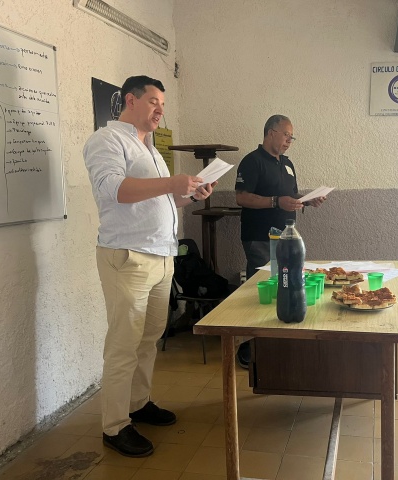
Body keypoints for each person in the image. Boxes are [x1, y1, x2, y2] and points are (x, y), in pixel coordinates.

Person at [83, 75, 217, 458]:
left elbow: (162, 201)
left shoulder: (151, 148)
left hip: (161, 256)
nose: (160, 110)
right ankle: (114, 425)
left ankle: (138, 404)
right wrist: (173, 183)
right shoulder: (107, 140)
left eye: (163, 104)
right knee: (124, 343)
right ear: (131, 100)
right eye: (154, 101)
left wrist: (190, 195)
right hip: (127, 257)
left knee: (149, 338)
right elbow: (113, 189)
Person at [234, 114, 325, 367]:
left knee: (287, 288)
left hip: (287, 240)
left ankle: (277, 346)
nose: (289, 141)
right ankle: (248, 347)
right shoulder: (252, 161)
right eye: (286, 135)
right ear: (270, 132)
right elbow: (241, 197)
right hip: (260, 238)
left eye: (292, 137)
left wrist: (307, 200)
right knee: (263, 292)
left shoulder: (287, 164)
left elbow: (289, 196)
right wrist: (275, 201)